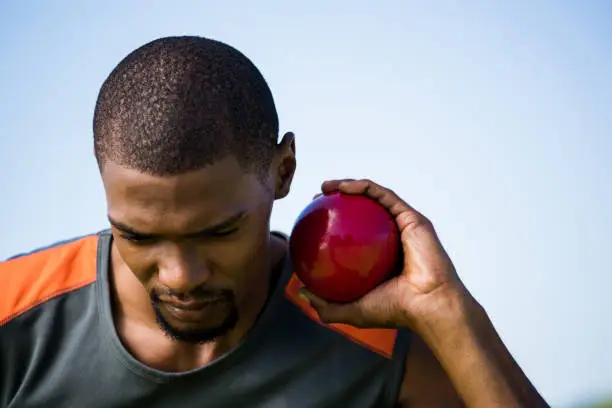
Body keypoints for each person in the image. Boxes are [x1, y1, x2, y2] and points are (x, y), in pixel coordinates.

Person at [0, 36, 549, 408]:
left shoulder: (376, 340)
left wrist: (446, 310)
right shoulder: (14, 314)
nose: (180, 276)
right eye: (138, 236)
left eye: (217, 232)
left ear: (282, 171)